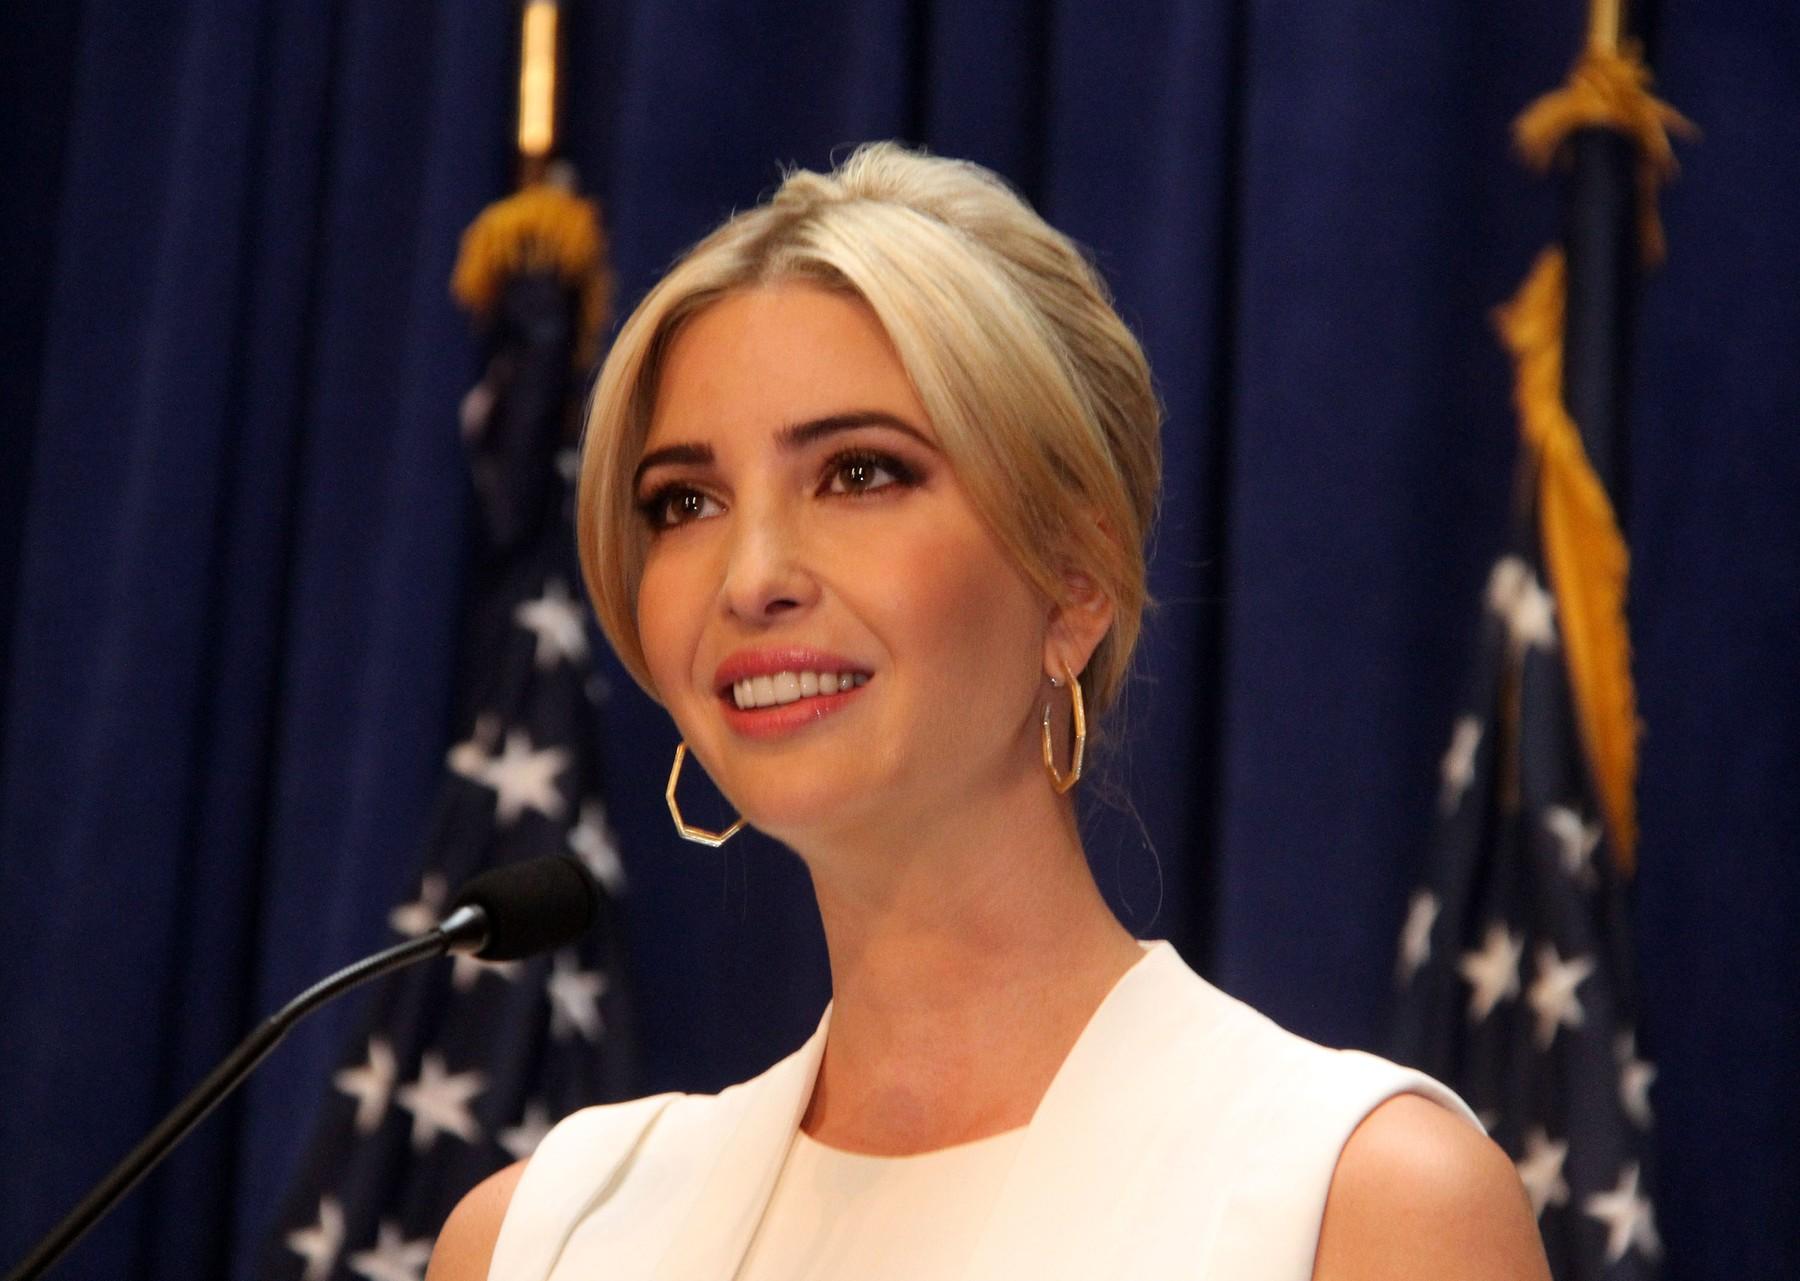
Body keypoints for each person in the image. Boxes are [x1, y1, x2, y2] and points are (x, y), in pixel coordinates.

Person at [426, 143, 1549, 1280]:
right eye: (685, 501)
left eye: (859, 473)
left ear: (1075, 584)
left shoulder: (1367, 1205)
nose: (750, 577)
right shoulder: (545, 1239)